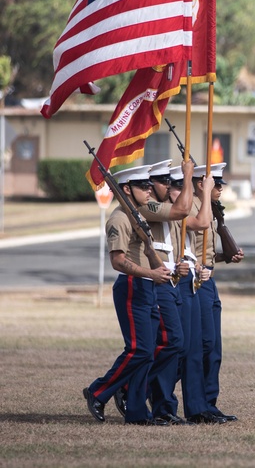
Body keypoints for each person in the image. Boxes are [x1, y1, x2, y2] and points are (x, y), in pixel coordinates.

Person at [83, 165, 173, 425]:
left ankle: (136, 412)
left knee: (148, 352)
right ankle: (98, 391)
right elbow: (118, 261)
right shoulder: (120, 219)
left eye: (149, 185)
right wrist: (151, 273)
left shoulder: (139, 217)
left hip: (146, 286)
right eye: (142, 186)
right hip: (132, 285)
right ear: (126, 189)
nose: (149, 190)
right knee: (139, 350)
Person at [135, 158, 195, 426]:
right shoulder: (147, 207)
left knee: (179, 347)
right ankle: (139, 391)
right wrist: (190, 177)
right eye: (163, 182)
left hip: (172, 280)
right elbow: (183, 210)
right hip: (157, 282)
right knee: (170, 344)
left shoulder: (164, 207)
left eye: (169, 181)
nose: (165, 186)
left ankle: (161, 403)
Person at [188, 163, 244, 422]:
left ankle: (209, 404)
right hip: (194, 281)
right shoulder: (192, 208)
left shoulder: (212, 211)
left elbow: (207, 254)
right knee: (200, 346)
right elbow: (188, 250)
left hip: (209, 280)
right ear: (201, 184)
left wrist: (226, 256)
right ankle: (197, 407)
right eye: (215, 183)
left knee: (214, 349)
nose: (220, 188)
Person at [166, 163, 221, 424]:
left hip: (199, 276)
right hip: (176, 281)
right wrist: (201, 189)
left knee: (204, 348)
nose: (179, 192)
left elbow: (193, 248)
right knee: (183, 348)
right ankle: (139, 390)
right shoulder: (176, 211)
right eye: (177, 186)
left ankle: (202, 406)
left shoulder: (187, 208)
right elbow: (202, 223)